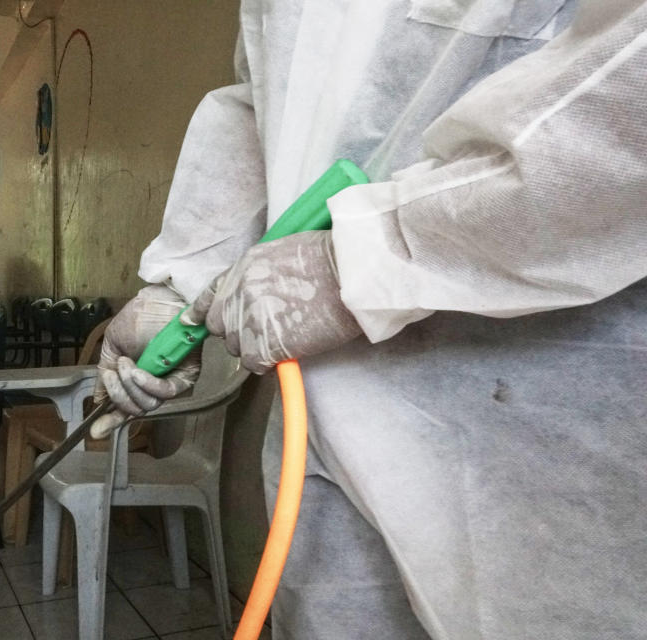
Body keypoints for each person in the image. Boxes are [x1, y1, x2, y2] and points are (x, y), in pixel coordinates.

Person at [94, 1, 647, 637]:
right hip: (324, 422)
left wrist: (371, 252)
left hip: (537, 413)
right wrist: (180, 284)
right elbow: (262, 104)